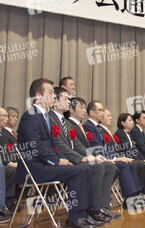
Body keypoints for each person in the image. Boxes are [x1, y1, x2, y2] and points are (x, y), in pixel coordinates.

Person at [16, 78, 95, 228]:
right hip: (34, 168)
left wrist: (58, 159)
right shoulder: (30, 115)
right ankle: (75, 219)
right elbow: (36, 146)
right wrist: (57, 160)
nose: (53, 96)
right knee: (78, 171)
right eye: (51, 92)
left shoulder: (43, 116)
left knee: (84, 169)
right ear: (39, 95)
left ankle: (84, 214)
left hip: (45, 163)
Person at [49, 89, 119, 222]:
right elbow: (59, 145)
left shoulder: (64, 122)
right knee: (96, 167)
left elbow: (77, 144)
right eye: (65, 99)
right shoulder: (50, 119)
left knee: (108, 166)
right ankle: (92, 209)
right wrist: (82, 158)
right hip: (60, 161)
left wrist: (91, 155)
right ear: (54, 101)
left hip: (72, 158)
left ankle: (102, 207)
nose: (68, 102)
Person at [0, 108, 17, 212]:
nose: (7, 119)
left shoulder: (2, 134)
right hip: (2, 164)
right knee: (12, 170)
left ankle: (9, 199)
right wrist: (9, 163)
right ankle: (8, 200)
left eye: (7, 116)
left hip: (3, 163)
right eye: (4, 116)